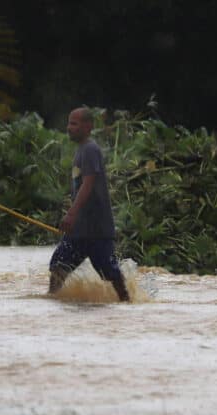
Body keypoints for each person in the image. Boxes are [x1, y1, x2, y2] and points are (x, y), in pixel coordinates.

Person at [48, 107, 130, 302]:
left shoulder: (91, 150)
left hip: (97, 230)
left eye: (74, 124)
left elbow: (88, 183)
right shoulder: (81, 151)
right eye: (69, 123)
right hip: (79, 231)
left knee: (110, 274)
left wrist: (71, 214)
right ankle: (51, 300)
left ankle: (128, 303)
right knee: (58, 265)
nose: (69, 128)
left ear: (88, 126)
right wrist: (73, 217)